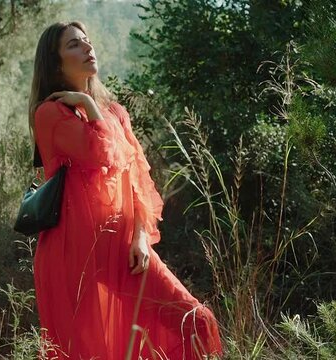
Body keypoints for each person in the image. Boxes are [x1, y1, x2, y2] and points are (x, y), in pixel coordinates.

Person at [28, 21, 224, 359]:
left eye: (87, 41)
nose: (87, 48)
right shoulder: (50, 113)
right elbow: (101, 152)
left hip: (122, 245)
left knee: (196, 321)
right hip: (72, 251)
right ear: (55, 61)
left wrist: (139, 237)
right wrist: (88, 106)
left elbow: (135, 176)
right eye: (74, 44)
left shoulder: (116, 113)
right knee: (87, 351)